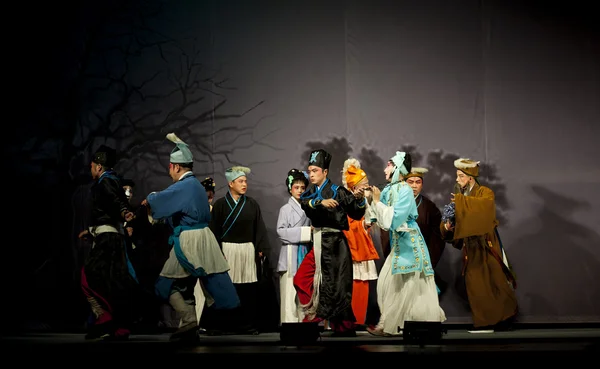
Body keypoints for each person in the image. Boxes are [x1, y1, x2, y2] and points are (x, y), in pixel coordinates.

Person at [143, 133, 240, 341]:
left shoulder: (184, 186)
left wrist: (149, 199)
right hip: (201, 238)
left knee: (165, 284)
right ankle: (189, 323)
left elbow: (159, 200)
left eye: (170, 167)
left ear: (176, 167)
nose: (169, 171)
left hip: (190, 241)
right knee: (184, 285)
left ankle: (188, 320)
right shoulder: (194, 185)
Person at [368, 151, 446, 336]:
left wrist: (377, 203)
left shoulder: (405, 190)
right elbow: (380, 219)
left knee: (411, 286)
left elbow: (393, 220)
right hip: (398, 244)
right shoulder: (388, 190)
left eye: (389, 165)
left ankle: (399, 326)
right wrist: (370, 201)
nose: (385, 169)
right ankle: (390, 324)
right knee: (388, 283)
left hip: (410, 244)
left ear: (397, 169)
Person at [293, 148, 367, 337]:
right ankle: (314, 315)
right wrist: (321, 203)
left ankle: (341, 326)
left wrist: (358, 200)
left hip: (335, 244)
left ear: (325, 172)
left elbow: (356, 213)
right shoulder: (310, 194)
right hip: (318, 242)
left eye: (315, 171)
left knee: (337, 286)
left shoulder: (338, 192)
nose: (311, 175)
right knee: (301, 278)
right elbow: (305, 204)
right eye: (309, 171)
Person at [440, 158, 517, 333]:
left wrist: (460, 203)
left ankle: (503, 319)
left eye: (461, 176)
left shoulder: (484, 192)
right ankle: (486, 321)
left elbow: (485, 209)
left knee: (495, 281)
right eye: (457, 176)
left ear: (470, 178)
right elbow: (458, 217)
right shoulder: (462, 196)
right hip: (472, 248)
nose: (458, 180)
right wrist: (448, 226)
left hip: (486, 245)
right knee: (476, 285)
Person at [78, 145, 139, 341]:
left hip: (108, 240)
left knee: (89, 277)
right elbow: (110, 206)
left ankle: (105, 319)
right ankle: (118, 326)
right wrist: (91, 231)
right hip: (109, 237)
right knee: (113, 281)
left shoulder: (106, 182)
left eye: (92, 166)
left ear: (98, 166)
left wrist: (124, 212)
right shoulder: (112, 181)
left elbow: (114, 201)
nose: (91, 169)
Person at [208, 165, 271, 334]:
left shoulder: (252, 204)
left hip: (247, 250)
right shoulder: (221, 205)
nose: (244, 184)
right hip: (227, 250)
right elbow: (214, 230)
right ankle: (224, 324)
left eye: (245, 181)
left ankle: (246, 324)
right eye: (240, 181)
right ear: (230, 183)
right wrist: (217, 252)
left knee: (248, 288)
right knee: (227, 287)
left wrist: (261, 247)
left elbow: (259, 228)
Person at [340, 158, 380, 327]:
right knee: (353, 283)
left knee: (363, 284)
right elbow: (347, 224)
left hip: (363, 245)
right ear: (353, 187)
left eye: (367, 183)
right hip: (352, 248)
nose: (366, 187)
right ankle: (350, 322)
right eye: (363, 184)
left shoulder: (365, 201)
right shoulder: (347, 200)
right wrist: (363, 224)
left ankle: (359, 320)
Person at [276, 169, 312, 323]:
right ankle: (289, 325)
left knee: (304, 291)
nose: (300, 191)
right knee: (289, 293)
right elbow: (281, 232)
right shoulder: (285, 209)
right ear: (290, 188)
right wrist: (305, 232)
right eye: (296, 187)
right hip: (291, 253)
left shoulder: (308, 207)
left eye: (303, 188)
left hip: (304, 252)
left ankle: (304, 323)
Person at [405, 168, 446, 294]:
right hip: (401, 254)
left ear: (422, 185)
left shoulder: (429, 207)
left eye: (418, 182)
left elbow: (437, 236)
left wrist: (429, 260)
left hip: (422, 257)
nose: (414, 186)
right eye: (410, 182)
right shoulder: (395, 203)